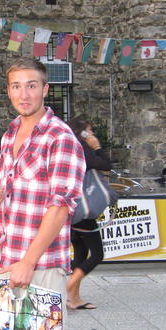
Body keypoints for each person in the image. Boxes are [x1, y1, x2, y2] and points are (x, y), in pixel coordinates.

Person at [0, 57, 85, 330]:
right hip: (7, 256)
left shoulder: (60, 137)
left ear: (45, 89)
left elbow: (60, 207)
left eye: (31, 85)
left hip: (41, 263)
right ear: (8, 90)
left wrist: (28, 262)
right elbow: (7, 184)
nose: (23, 94)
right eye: (16, 86)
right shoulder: (10, 132)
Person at [65, 117, 112, 310]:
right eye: (89, 131)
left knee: (81, 252)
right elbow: (106, 164)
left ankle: (73, 298)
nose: (92, 134)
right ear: (82, 133)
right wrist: (97, 146)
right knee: (97, 254)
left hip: (72, 209)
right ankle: (68, 286)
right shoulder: (82, 150)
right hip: (83, 210)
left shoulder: (69, 149)